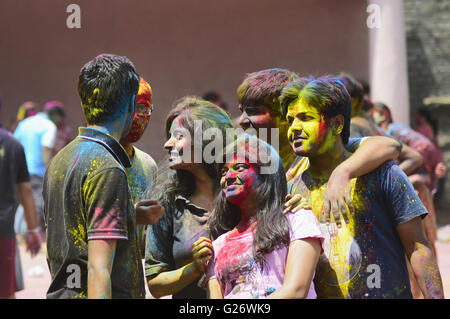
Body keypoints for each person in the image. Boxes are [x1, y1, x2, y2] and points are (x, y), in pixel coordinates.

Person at [280, 76, 444, 299]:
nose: (294, 128)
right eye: (290, 120)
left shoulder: (384, 173)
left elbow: (417, 247)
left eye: (305, 118)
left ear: (337, 123)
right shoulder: (293, 187)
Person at [236, 68, 407, 224]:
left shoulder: (319, 152)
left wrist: (342, 173)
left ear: (283, 113)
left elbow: (389, 145)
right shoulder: (250, 161)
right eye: (241, 111)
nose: (242, 121)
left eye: (253, 112)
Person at [43, 54, 145, 299]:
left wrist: (132, 215)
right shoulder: (107, 168)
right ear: (131, 106)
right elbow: (99, 269)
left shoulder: (60, 160)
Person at [205, 134, 324, 299]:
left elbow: (296, 290)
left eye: (239, 168)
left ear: (267, 175)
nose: (228, 177)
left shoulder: (296, 219)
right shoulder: (217, 245)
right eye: (224, 171)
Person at [145, 97, 235, 299]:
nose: (168, 144)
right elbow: (155, 285)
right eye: (169, 136)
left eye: (178, 136)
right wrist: (193, 269)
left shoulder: (241, 193)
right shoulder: (167, 204)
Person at [0, 102, 41, 299]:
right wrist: (33, 230)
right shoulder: (12, 144)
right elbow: (25, 190)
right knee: (6, 291)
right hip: (3, 230)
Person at [119, 77, 159, 255]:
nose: (136, 117)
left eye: (142, 108)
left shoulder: (148, 165)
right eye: (130, 108)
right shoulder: (94, 159)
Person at [14, 101, 59, 232]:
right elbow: (46, 148)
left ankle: (21, 235)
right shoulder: (49, 126)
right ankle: (33, 235)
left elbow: (15, 143)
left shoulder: (24, 124)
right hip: (37, 172)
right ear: (55, 115)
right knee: (37, 204)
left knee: (23, 202)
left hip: (19, 170)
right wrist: (50, 170)